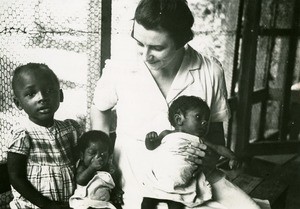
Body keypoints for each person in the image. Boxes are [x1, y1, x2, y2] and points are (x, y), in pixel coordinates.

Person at [91, 0, 260, 208]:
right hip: (136, 172)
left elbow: (215, 132)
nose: (145, 56)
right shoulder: (120, 67)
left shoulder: (209, 71)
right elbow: (100, 108)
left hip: (194, 173)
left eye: (157, 47)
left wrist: (211, 158)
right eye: (139, 43)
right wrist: (103, 165)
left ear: (181, 40)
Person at [142, 95, 240, 209]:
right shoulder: (166, 134)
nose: (204, 122)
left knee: (176, 205)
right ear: (179, 119)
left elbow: (218, 148)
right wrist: (150, 139)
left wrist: (233, 157)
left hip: (180, 185)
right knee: (146, 204)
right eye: (198, 117)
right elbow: (151, 146)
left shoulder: (199, 140)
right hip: (158, 179)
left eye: (206, 120)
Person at [7, 63, 82, 209]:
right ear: (18, 103)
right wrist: (46, 205)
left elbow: (80, 165)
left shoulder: (69, 129)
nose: (42, 98)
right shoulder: (23, 134)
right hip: (32, 206)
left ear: (60, 95)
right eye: (31, 94)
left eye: (49, 91)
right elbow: (16, 177)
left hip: (67, 204)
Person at [69, 130, 122, 209]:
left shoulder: (108, 170)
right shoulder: (83, 167)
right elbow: (80, 180)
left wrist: (116, 193)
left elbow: (113, 185)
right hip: (84, 203)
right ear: (81, 155)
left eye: (103, 154)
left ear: (109, 157)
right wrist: (92, 168)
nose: (98, 157)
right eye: (92, 153)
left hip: (103, 204)